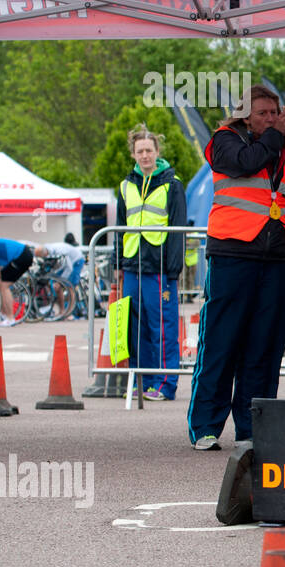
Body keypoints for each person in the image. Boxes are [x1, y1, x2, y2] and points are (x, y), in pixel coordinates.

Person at [187, 85, 285, 451]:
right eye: (264, 113)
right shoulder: (224, 141)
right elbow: (246, 163)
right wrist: (276, 135)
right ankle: (205, 426)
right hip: (233, 254)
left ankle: (252, 428)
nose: (272, 119)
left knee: (265, 348)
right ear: (244, 115)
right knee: (222, 342)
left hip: (276, 258)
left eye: (275, 113)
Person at [114, 126, 186, 401]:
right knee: (135, 327)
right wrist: (118, 265)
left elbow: (178, 230)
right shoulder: (125, 185)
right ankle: (140, 380)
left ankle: (165, 384)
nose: (145, 155)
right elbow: (120, 227)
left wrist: (173, 271)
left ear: (157, 153)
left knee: (163, 327)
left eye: (149, 150)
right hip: (133, 266)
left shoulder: (172, 184)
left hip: (159, 269)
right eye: (140, 151)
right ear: (133, 153)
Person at [0, 238, 32, 326]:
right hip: (19, 256)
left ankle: (10, 318)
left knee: (3, 286)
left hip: (22, 255)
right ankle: (3, 314)